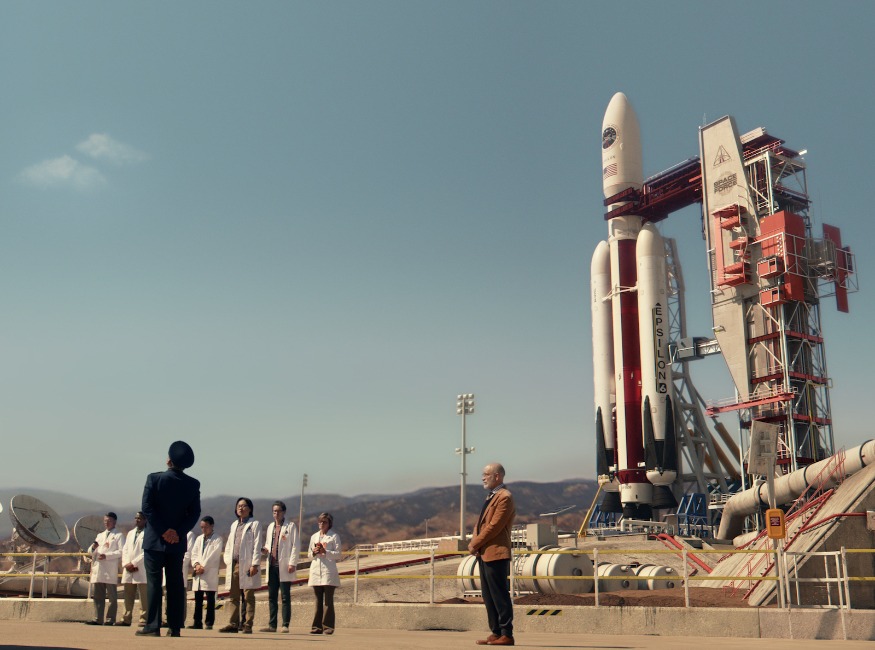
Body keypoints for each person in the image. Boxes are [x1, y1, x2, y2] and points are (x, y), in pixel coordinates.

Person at [136, 441, 201, 638]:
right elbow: (194, 514)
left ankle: (153, 626)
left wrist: (163, 531)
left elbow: (147, 508)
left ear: (168, 461)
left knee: (154, 583)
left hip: (155, 540)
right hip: (176, 543)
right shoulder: (193, 484)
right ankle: (175, 626)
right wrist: (177, 532)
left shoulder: (154, 479)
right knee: (175, 584)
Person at [468, 463, 516, 647]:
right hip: (484, 553)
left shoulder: (504, 497)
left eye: (486, 474)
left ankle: (506, 634)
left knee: (499, 594)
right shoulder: (492, 496)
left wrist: (475, 543)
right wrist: (476, 543)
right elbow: (480, 524)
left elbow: (494, 527)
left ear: (497, 476)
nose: (483, 477)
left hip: (496, 552)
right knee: (488, 596)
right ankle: (495, 632)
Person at [219, 498, 262, 634]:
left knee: (248, 596)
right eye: (238, 506)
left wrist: (254, 564)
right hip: (234, 564)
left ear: (250, 509)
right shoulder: (234, 525)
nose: (240, 508)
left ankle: (248, 624)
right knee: (234, 596)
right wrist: (227, 560)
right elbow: (229, 545)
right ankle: (233, 624)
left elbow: (257, 545)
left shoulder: (255, 524)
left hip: (248, 564)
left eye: (244, 506)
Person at [259, 501, 300, 633]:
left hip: (284, 566)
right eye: (274, 511)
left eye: (279, 511)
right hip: (272, 565)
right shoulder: (270, 526)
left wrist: (292, 563)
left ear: (284, 512)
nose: (276, 514)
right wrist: (264, 550)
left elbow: (295, 546)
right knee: (272, 597)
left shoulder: (291, 526)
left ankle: (285, 624)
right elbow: (268, 544)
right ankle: (272, 625)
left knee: (285, 596)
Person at [87, 512, 124, 626]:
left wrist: (107, 556)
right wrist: (93, 548)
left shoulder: (118, 535)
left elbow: (121, 551)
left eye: (109, 521)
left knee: (112, 597)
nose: (106, 523)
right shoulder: (100, 535)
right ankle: (97, 618)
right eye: (105, 521)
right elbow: (90, 551)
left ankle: (110, 619)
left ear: (114, 522)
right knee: (98, 596)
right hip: (99, 568)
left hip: (109, 569)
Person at [307, 512, 341, 635]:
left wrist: (325, 552)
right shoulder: (314, 537)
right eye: (320, 521)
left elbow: (338, 554)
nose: (321, 524)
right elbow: (309, 555)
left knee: (328, 601)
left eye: (324, 522)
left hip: (328, 572)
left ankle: (328, 626)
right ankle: (317, 626)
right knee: (318, 601)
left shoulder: (334, 537)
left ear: (329, 524)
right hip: (316, 571)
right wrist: (314, 552)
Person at [189, 516, 223, 630]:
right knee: (198, 599)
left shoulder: (217, 539)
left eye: (206, 527)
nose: (203, 529)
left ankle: (209, 622)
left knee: (210, 599)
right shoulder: (199, 539)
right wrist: (196, 565)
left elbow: (214, 555)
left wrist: (203, 566)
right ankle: (197, 622)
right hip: (198, 571)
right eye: (202, 527)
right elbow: (194, 553)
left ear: (212, 526)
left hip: (209, 572)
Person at [119, 512, 147, 627]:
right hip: (129, 569)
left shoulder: (149, 532)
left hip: (141, 568)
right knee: (128, 595)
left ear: (145, 520)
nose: (137, 520)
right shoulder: (131, 533)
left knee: (144, 596)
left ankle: (144, 618)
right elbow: (125, 549)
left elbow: (146, 551)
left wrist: (134, 563)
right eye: (136, 518)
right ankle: (126, 618)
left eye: (139, 518)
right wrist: (126, 564)